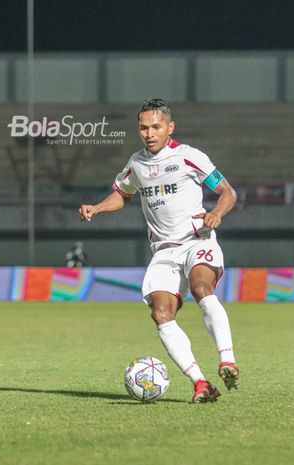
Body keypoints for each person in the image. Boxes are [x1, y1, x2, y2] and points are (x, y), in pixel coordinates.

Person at [78, 98, 239, 403]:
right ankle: (201, 383)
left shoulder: (189, 157)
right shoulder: (136, 164)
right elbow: (121, 195)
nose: (149, 133)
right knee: (161, 313)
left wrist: (217, 213)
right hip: (164, 251)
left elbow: (227, 191)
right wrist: (96, 208)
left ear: (169, 127)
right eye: (143, 127)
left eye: (156, 127)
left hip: (197, 240)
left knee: (202, 288)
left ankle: (227, 360)